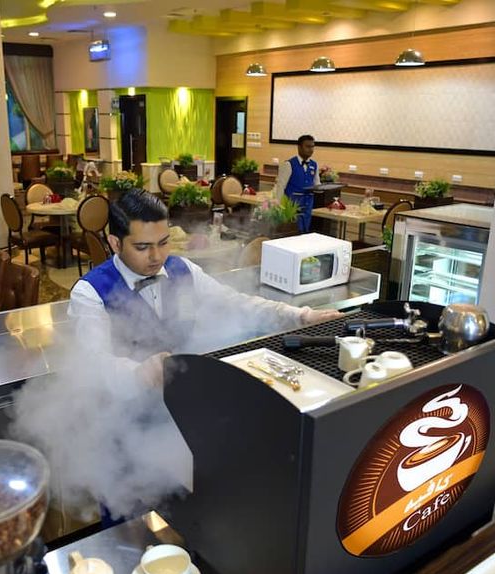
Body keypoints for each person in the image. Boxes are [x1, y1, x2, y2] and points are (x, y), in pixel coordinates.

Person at [68, 188, 343, 390]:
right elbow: (94, 361)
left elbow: (235, 303)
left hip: (184, 390)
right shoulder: (90, 293)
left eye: (163, 243)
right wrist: (136, 372)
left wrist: (299, 316)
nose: (157, 256)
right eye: (142, 247)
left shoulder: (183, 270)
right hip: (128, 409)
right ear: (115, 243)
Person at [274, 134, 321, 233]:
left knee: (305, 231)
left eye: (312, 147)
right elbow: (280, 186)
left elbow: (317, 184)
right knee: (292, 232)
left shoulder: (314, 164)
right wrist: (277, 205)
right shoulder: (289, 164)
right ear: (299, 147)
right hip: (292, 206)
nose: (311, 149)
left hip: (307, 204)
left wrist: (323, 188)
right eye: (307, 146)